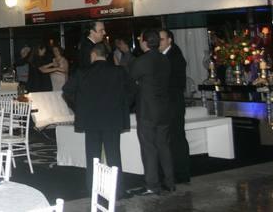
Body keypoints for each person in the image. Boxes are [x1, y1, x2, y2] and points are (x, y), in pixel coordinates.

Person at [62, 43, 135, 191]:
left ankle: (93, 188)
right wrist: (122, 106)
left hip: (91, 120)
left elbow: (67, 91)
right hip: (112, 119)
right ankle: (117, 190)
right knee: (114, 155)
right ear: (106, 55)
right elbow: (133, 90)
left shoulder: (82, 72)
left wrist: (80, 108)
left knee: (93, 156)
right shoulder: (118, 71)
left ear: (93, 55)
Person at [129, 29, 175, 195]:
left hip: (147, 110)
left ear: (144, 42)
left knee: (149, 147)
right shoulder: (165, 59)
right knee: (164, 146)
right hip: (164, 108)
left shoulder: (141, 61)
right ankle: (170, 182)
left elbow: (130, 81)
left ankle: (152, 184)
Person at [160, 28, 191, 184]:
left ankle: (181, 173)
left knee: (177, 137)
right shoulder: (166, 55)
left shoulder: (174, 56)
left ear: (169, 40)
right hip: (169, 103)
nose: (159, 42)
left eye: (162, 39)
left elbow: (176, 82)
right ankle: (175, 172)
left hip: (173, 103)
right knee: (172, 138)